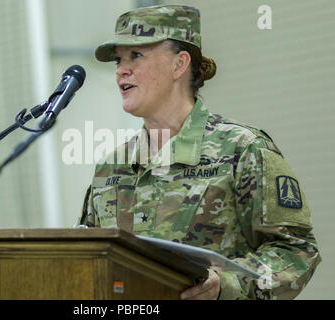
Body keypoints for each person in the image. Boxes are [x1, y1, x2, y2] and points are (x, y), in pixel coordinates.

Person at [77, 5, 321, 300]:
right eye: (119, 59)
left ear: (179, 65)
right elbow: (87, 257)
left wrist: (226, 286)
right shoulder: (111, 166)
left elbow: (297, 252)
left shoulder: (243, 149)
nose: (120, 70)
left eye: (136, 56)